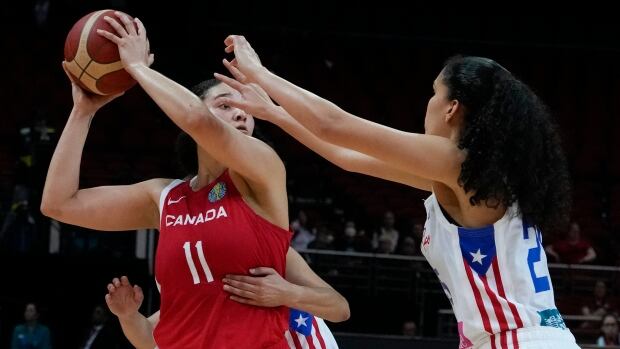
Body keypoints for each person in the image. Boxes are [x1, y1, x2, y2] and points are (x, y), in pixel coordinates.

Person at [214, 35, 577, 348]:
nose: (428, 102)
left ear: (452, 108)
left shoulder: (458, 163)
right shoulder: (473, 177)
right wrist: (274, 113)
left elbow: (334, 124)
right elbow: (346, 156)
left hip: (515, 339)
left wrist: (259, 72)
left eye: (434, 93)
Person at [40, 13, 348, 349]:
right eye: (225, 104)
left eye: (244, 108)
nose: (242, 112)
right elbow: (59, 203)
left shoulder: (264, 170)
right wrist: (83, 112)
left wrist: (138, 68)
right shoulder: (164, 197)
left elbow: (196, 119)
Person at [105, 276, 340, 349]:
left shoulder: (266, 255)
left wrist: (289, 293)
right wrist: (127, 316)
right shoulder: (198, 289)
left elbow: (340, 308)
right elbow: (148, 337)